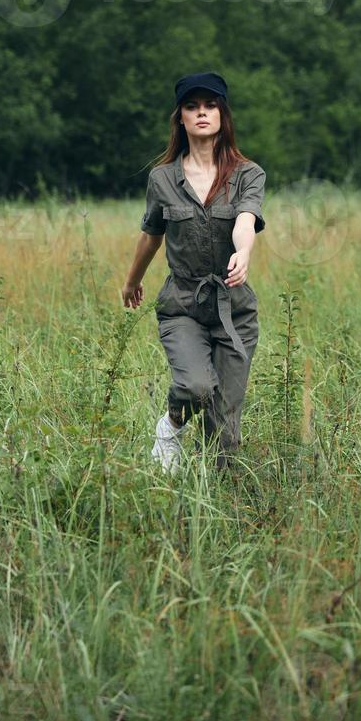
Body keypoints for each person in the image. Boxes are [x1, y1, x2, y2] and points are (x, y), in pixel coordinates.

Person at [121, 71, 266, 474]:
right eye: (192, 106)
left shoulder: (247, 174)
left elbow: (246, 218)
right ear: (180, 118)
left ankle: (219, 505)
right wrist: (132, 281)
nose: (202, 113)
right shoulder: (162, 179)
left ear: (223, 114)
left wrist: (243, 253)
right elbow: (151, 235)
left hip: (234, 310)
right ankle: (170, 425)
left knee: (225, 429)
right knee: (196, 387)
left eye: (211, 105)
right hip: (183, 305)